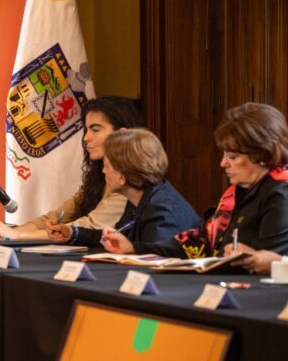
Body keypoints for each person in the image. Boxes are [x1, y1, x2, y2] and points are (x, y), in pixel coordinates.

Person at [103, 102, 288, 264]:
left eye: (232, 156)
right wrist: (133, 248)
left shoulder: (281, 191)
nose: (223, 163)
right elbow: (201, 242)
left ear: (261, 154)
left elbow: (271, 260)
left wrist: (251, 257)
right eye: (224, 154)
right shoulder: (235, 193)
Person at [0, 96, 143, 239]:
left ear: (122, 134)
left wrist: (17, 235)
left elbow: (89, 226)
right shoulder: (98, 177)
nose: (86, 138)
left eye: (95, 130)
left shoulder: (132, 180)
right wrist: (10, 232)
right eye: (86, 130)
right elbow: (56, 216)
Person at [47, 129, 201, 247]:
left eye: (107, 166)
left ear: (122, 176)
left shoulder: (162, 214)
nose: (103, 171)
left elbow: (152, 263)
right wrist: (73, 233)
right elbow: (119, 236)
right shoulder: (140, 198)